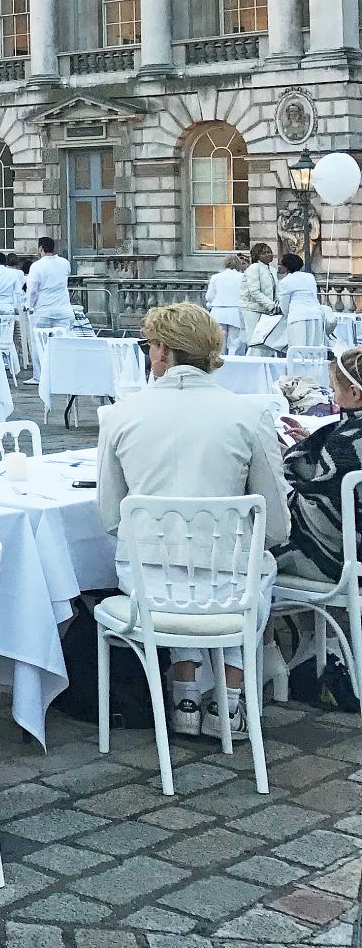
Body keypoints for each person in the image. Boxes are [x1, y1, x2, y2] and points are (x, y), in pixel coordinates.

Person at [96, 302, 288, 738]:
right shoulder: (249, 416)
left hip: (151, 588)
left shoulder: (121, 415)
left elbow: (110, 514)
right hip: (229, 589)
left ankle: (185, 690)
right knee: (252, 568)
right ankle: (231, 700)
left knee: (170, 560)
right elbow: (273, 522)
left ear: (162, 352)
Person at [276, 347, 362, 586]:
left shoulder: (343, 443)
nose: (333, 399)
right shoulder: (344, 439)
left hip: (344, 564)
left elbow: (317, 507)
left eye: (335, 390)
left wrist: (292, 456)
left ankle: (260, 620)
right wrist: (312, 448)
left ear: (354, 393)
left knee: (260, 543)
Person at [26, 236, 74, 337]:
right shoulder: (65, 263)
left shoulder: (36, 266)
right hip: (63, 309)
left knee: (41, 344)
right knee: (62, 344)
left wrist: (29, 306)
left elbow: (32, 290)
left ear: (40, 248)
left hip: (43, 310)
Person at [277, 253, 324, 350]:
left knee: (298, 349)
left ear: (286, 267)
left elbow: (284, 305)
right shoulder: (310, 277)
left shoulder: (285, 282)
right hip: (315, 315)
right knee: (315, 348)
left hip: (298, 317)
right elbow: (314, 294)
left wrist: (287, 315)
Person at [205, 252, 248, 356]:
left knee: (220, 341)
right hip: (235, 311)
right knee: (235, 342)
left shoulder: (216, 277)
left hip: (218, 311)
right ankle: (234, 363)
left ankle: (220, 362)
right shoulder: (243, 277)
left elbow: (209, 297)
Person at [241, 242, 280, 347]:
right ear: (257, 256)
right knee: (254, 339)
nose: (268, 255)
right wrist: (271, 305)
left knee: (265, 340)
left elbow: (276, 290)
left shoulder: (272, 270)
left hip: (267, 310)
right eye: (264, 253)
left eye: (269, 252)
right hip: (252, 309)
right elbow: (254, 291)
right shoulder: (254, 268)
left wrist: (276, 304)